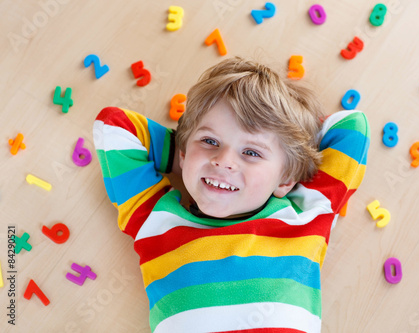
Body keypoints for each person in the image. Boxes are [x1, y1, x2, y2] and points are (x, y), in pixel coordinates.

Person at [93, 57, 370, 332]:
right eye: (210, 141)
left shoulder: (306, 216)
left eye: (251, 152)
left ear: (286, 179)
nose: (224, 160)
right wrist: (191, 159)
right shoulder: (154, 221)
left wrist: (291, 144)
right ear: (184, 150)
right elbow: (115, 125)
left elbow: (352, 127)